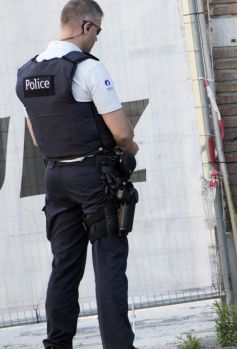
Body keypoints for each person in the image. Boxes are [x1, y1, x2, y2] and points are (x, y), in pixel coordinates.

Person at [15, 1, 139, 348]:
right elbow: (122, 133)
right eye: (97, 32)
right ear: (86, 26)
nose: (97, 39)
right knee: (109, 262)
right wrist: (131, 150)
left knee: (64, 266)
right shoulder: (86, 69)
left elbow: (38, 137)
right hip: (94, 177)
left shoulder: (27, 72)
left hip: (55, 178)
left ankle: (57, 344)